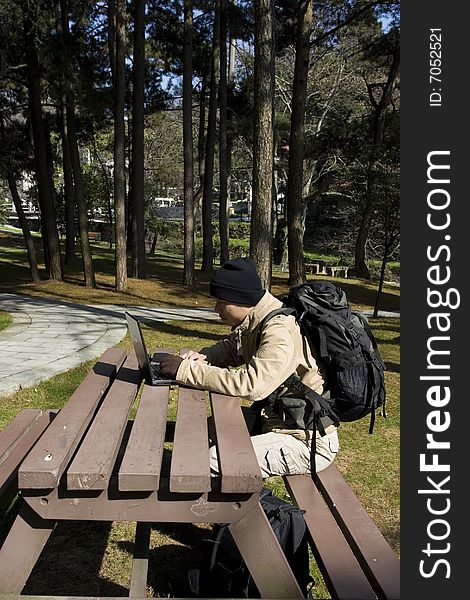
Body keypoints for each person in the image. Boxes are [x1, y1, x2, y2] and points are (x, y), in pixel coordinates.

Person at [159, 257, 339, 478]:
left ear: (240, 299)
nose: (216, 308)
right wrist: (203, 357)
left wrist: (186, 371)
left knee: (211, 460)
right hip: (275, 421)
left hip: (306, 442)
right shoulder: (258, 318)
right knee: (197, 431)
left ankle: (210, 511)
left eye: (220, 301)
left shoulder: (278, 330)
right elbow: (233, 350)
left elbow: (252, 385)